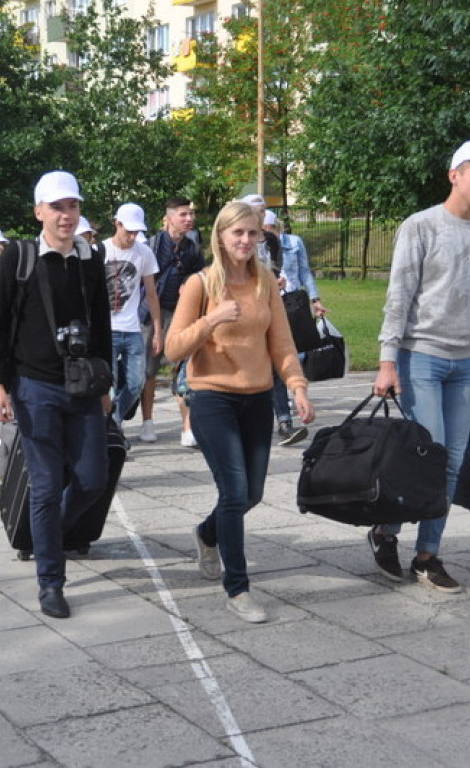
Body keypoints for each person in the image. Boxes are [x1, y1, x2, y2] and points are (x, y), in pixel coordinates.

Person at [369, 138, 470, 594]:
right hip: (421, 358)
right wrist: (388, 361)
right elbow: (399, 296)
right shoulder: (421, 226)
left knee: (451, 463)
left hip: (463, 363)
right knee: (426, 458)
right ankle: (385, 530)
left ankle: (427, 556)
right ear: (455, 175)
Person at [166, 200, 313, 623]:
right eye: (238, 233)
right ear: (221, 236)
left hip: (257, 398)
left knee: (251, 494)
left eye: (253, 233)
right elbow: (173, 349)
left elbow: (282, 344)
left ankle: (207, 533)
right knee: (233, 492)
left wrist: (298, 386)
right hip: (212, 398)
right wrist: (211, 320)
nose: (246, 240)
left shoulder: (265, 281)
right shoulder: (200, 284)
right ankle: (238, 588)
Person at [0, 170, 112, 620]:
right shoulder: (20, 257)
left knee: (92, 479)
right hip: (34, 386)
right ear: (39, 212)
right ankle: (51, 581)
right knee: (46, 485)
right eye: (57, 207)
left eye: (72, 206)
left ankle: (47, 535)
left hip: (83, 384)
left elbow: (101, 325)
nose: (66, 215)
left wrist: (106, 383)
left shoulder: (90, 259)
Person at [139, 196, 205, 446]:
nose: (189, 219)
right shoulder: (151, 245)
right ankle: (147, 421)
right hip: (151, 314)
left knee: (182, 369)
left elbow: (201, 277)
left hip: (181, 313)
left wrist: (190, 285)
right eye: (183, 214)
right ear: (168, 219)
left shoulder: (193, 248)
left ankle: (187, 427)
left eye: (191, 214)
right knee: (149, 370)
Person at [103, 203, 162, 426]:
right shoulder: (102, 250)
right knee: (109, 382)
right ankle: (110, 425)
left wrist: (158, 331)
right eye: (128, 231)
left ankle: (114, 418)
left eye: (136, 232)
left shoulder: (143, 252)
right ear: (117, 224)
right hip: (107, 328)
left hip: (132, 327)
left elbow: (152, 295)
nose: (132, 236)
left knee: (137, 382)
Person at [272, 215, 328, 446]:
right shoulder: (253, 246)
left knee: (296, 355)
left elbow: (305, 271)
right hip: (269, 306)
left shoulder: (294, 243)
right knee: (275, 363)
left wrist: (315, 299)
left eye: (270, 227)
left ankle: (294, 397)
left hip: (294, 303)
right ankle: (284, 419)